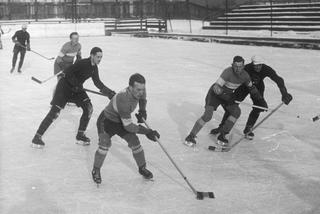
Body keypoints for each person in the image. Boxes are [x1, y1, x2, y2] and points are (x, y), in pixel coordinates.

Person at [31, 47, 116, 148]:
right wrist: (75, 84)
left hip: (77, 89)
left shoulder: (94, 68)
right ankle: (37, 137)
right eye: (98, 57)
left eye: (101, 57)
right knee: (54, 112)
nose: (99, 59)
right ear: (92, 55)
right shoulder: (82, 63)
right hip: (64, 87)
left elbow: (98, 83)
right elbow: (67, 72)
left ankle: (80, 135)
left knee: (88, 108)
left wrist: (109, 93)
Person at [91, 73, 160, 184]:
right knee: (104, 144)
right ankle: (96, 169)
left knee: (135, 141)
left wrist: (143, 111)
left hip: (121, 121)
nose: (141, 92)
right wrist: (147, 132)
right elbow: (128, 127)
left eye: (142, 89)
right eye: (138, 90)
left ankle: (142, 168)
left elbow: (143, 98)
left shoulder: (141, 89)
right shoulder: (124, 99)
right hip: (107, 121)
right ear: (130, 87)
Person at [185, 56, 263, 147]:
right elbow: (216, 88)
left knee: (236, 112)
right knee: (207, 116)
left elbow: (251, 87)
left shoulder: (245, 75)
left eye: (240, 66)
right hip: (215, 95)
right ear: (232, 65)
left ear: (243, 66)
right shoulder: (227, 72)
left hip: (227, 96)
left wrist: (259, 99)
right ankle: (191, 136)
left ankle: (222, 135)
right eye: (236, 66)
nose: (238, 69)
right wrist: (226, 96)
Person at [210, 55, 293, 139]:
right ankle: (222, 127)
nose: (258, 67)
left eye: (259, 65)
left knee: (259, 107)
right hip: (244, 87)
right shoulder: (247, 68)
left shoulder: (266, 69)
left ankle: (248, 128)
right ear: (252, 64)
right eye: (255, 65)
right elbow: (235, 76)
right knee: (232, 105)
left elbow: (279, 80)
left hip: (257, 88)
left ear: (262, 64)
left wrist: (284, 93)